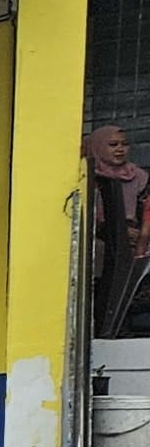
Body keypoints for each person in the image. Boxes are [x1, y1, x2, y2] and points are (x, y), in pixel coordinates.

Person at [90, 124, 150, 338]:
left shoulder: (139, 177)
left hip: (137, 236)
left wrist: (139, 234)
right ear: (98, 147)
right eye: (113, 144)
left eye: (124, 144)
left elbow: (145, 213)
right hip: (102, 237)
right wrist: (116, 232)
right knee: (101, 255)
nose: (120, 149)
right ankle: (107, 324)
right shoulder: (89, 178)